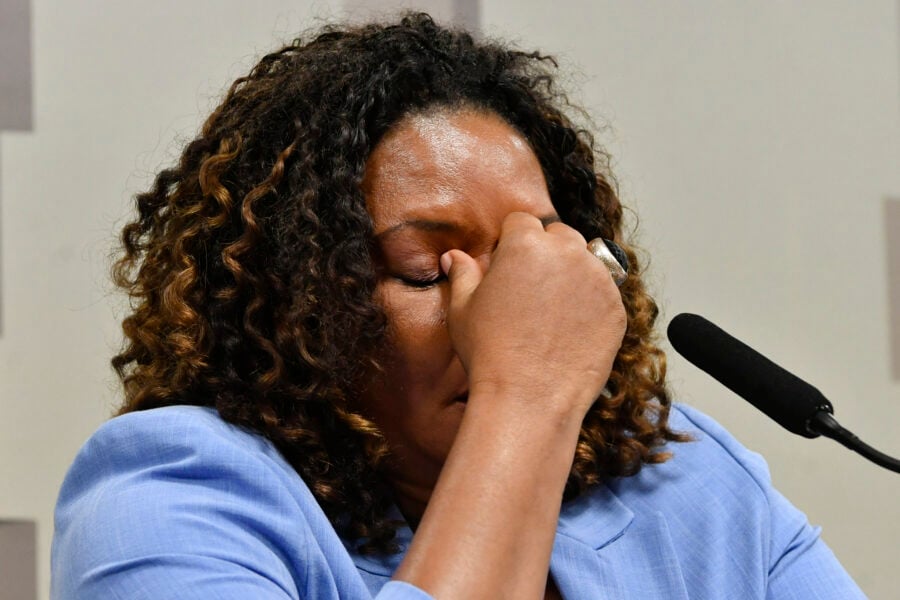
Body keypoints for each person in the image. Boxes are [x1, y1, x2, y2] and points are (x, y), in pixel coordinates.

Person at [51, 13, 864, 599]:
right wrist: (527, 394)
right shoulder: (171, 495)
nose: (512, 304)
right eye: (426, 271)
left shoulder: (682, 480)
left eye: (534, 256)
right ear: (293, 305)